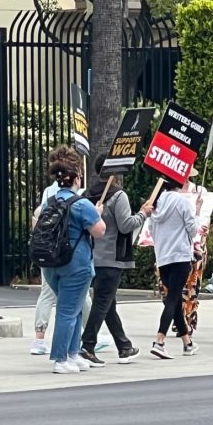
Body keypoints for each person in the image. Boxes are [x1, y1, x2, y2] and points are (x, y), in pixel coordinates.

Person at [78, 154, 150, 366]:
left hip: (92, 255)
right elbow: (126, 225)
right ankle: (88, 344)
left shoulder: (86, 195)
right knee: (102, 302)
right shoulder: (118, 196)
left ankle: (124, 346)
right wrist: (143, 213)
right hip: (112, 256)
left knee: (108, 303)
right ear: (115, 173)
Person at [40, 146, 106, 374]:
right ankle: (60, 358)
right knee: (68, 311)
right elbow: (99, 231)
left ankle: (72, 353)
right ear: (77, 177)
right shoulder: (82, 204)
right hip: (75, 265)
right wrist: (97, 212)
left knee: (74, 308)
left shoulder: (50, 201)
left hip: (51, 264)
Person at [149, 178, 203, 359]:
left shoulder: (155, 203)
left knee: (174, 300)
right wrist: (197, 212)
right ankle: (159, 340)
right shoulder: (182, 202)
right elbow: (193, 230)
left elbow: (150, 227)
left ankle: (187, 343)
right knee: (173, 299)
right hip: (180, 255)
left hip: (162, 256)